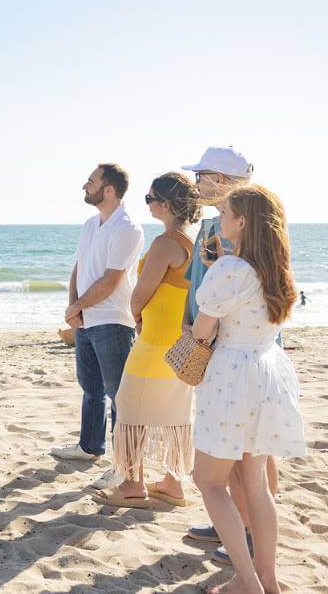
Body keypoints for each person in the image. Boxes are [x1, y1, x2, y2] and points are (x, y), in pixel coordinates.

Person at [190, 185, 305, 594]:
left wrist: (195, 334)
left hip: (230, 377)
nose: (219, 218)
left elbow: (205, 328)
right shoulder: (275, 268)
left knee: (210, 480)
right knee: (255, 483)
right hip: (266, 371)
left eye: (226, 213)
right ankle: (268, 579)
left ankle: (246, 580)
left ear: (242, 222)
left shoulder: (230, 270)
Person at [179, 146, 277, 564]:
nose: (196, 182)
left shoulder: (246, 231)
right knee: (229, 451)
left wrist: (202, 329)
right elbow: (197, 280)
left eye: (201, 175)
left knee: (251, 456)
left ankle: (251, 533)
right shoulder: (209, 226)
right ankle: (232, 523)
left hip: (237, 348)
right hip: (212, 345)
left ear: (222, 180)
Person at [93, 173, 202, 508]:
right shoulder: (193, 240)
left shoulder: (165, 243)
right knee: (175, 412)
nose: (148, 204)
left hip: (154, 341)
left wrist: (136, 315)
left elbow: (140, 294)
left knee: (129, 406)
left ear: (166, 204)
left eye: (150, 198)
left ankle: (132, 484)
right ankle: (173, 482)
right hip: (180, 342)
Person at [52, 164, 144, 492]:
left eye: (91, 181)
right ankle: (89, 446)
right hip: (87, 319)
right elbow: (79, 266)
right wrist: (72, 306)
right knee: (90, 387)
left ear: (108, 189)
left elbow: (112, 279)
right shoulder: (91, 224)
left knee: (119, 396)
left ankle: (124, 468)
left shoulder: (127, 227)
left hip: (112, 321)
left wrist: (78, 306)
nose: (84, 185)